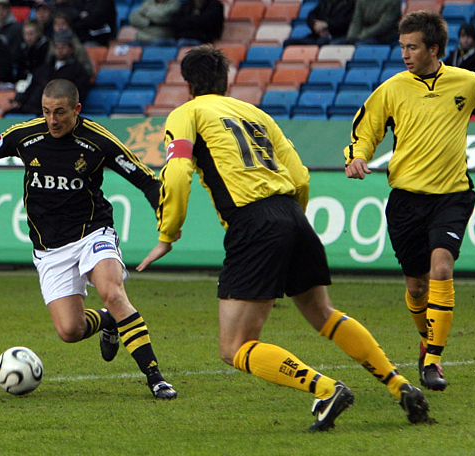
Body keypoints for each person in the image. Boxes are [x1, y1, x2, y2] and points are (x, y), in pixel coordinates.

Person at [136, 45, 431, 430]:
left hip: (254, 224)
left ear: (187, 84)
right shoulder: (256, 114)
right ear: (227, 81)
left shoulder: (186, 113)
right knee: (323, 314)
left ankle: (326, 389)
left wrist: (167, 233)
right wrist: (292, 227)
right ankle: (399, 383)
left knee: (234, 347)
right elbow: (301, 175)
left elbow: (176, 174)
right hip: (292, 215)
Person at [0, 79, 177, 400]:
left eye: (60, 112)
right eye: (47, 112)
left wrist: (168, 225)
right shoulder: (26, 135)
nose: (52, 120)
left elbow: (145, 180)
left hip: (93, 232)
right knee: (70, 331)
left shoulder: (98, 141)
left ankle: (155, 377)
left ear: (76, 109)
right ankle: (108, 321)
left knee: (113, 293)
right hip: (49, 247)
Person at [343, 12, 475, 391]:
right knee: (416, 286)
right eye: (402, 46)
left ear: (434, 49)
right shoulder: (392, 88)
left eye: (412, 47)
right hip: (406, 199)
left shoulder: (469, 83)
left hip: (452, 194)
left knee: (441, 269)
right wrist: (357, 155)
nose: (405, 54)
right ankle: (427, 340)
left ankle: (434, 362)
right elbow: (366, 126)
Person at [6, 29, 91, 115]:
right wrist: (19, 100)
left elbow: (77, 93)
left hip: (56, 111)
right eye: (57, 47)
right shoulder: (44, 68)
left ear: (71, 49)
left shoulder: (78, 71)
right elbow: (31, 87)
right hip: (32, 107)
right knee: (8, 114)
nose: (60, 50)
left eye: (63, 47)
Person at [283, 0, 354, 46]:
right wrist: (317, 27)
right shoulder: (325, 2)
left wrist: (327, 25)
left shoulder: (352, 3)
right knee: (289, 43)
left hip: (337, 36)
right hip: (317, 35)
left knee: (322, 42)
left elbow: (347, 22)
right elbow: (311, 15)